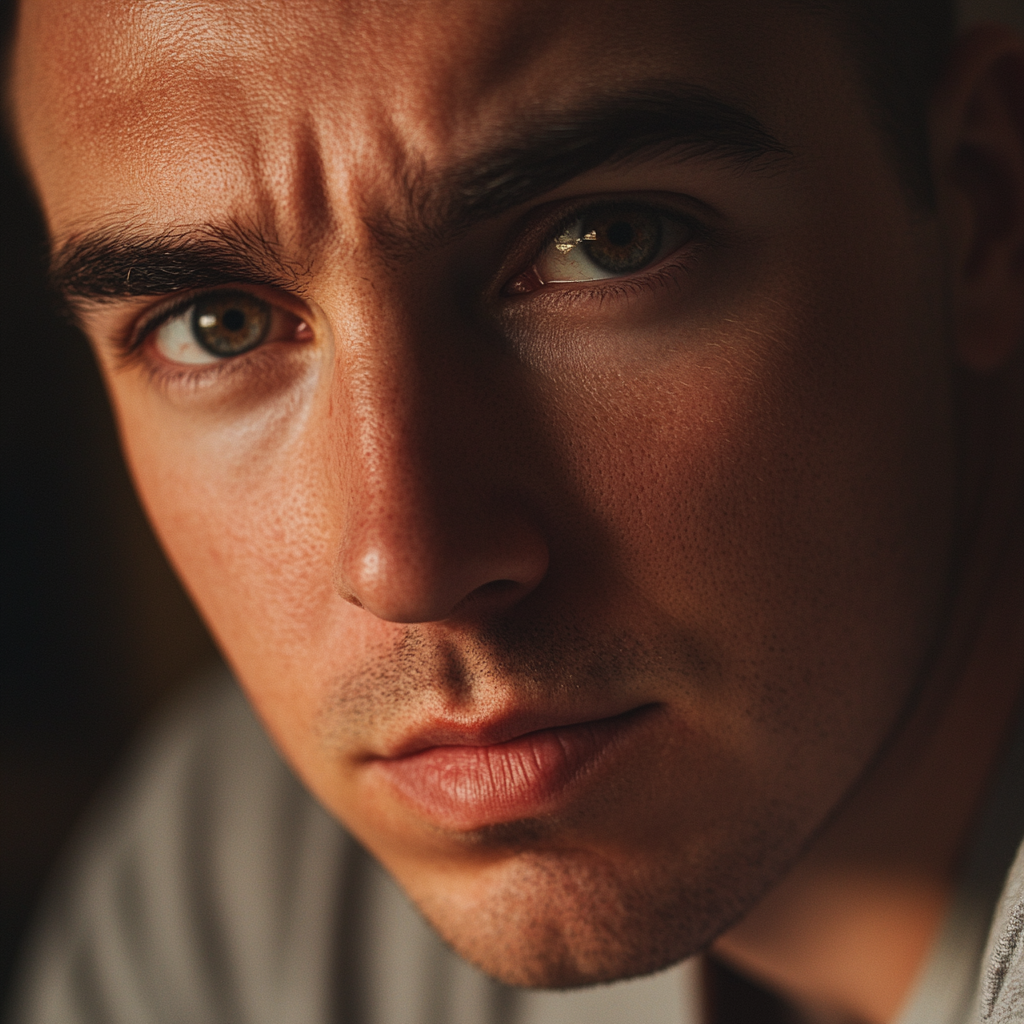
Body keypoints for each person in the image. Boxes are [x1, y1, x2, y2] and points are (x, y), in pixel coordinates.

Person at [5, 0, 1023, 1021]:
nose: (407, 565)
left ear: (988, 202)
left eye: (606, 243)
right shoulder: (240, 889)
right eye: (215, 326)